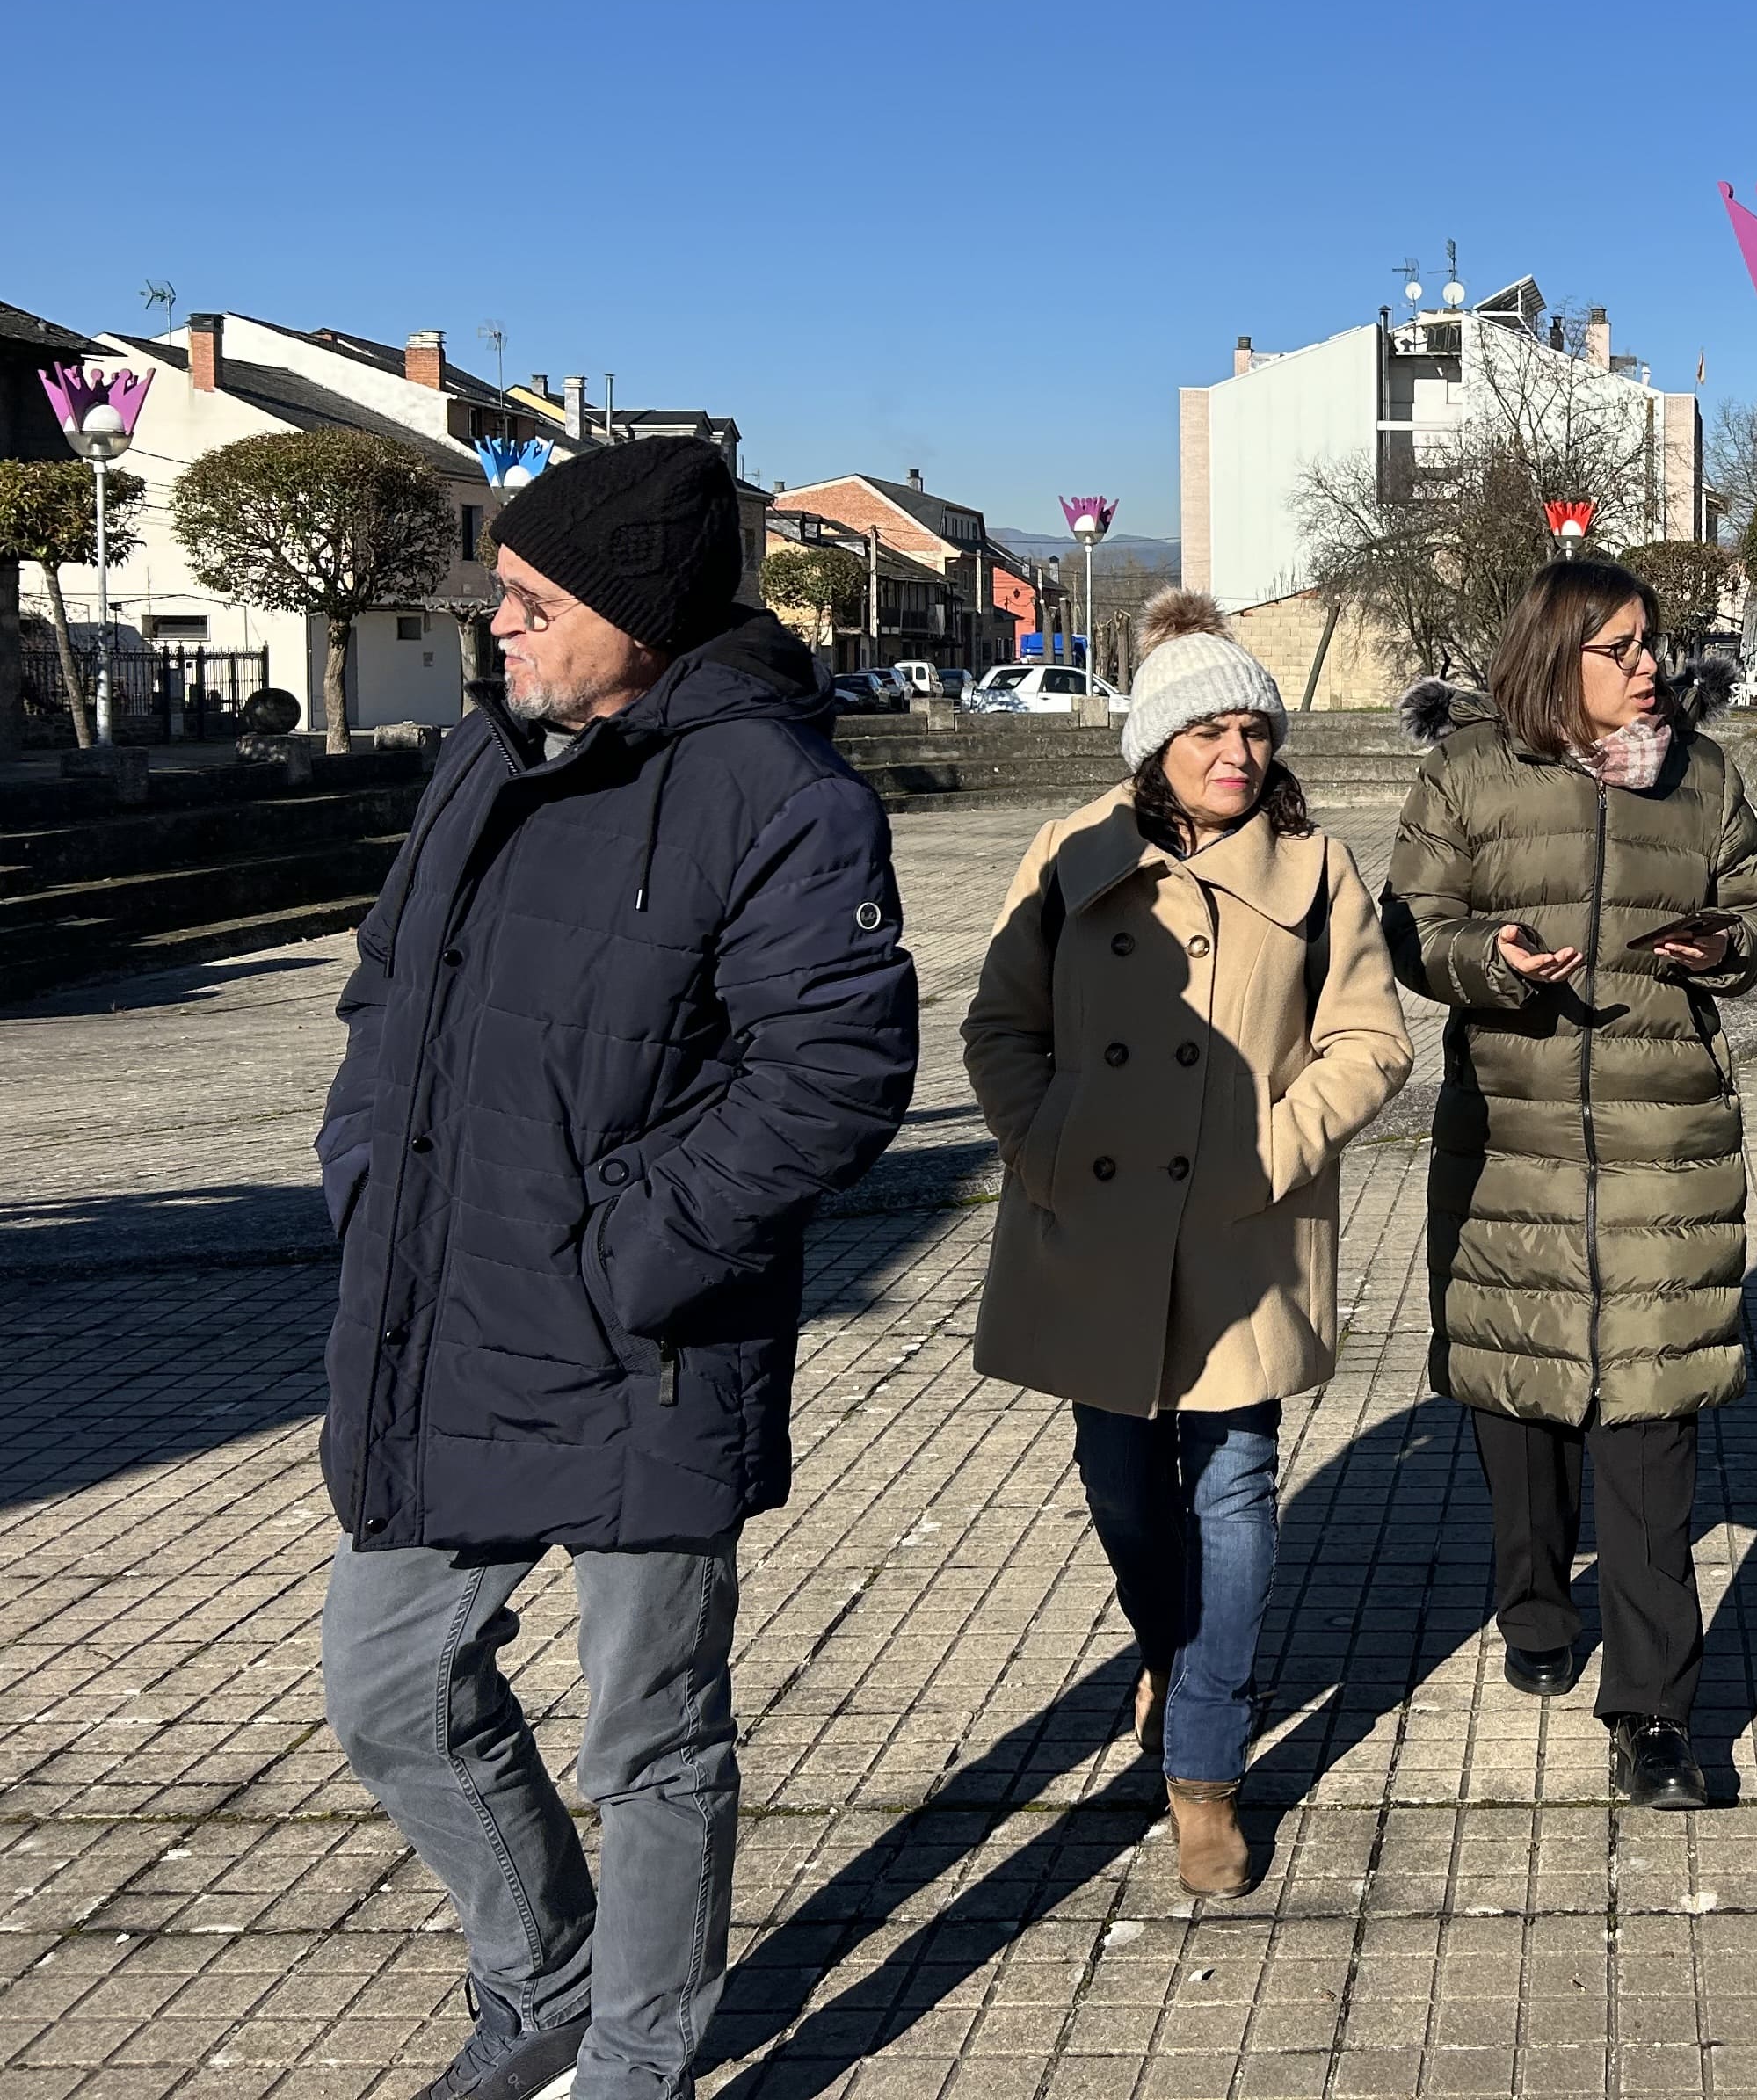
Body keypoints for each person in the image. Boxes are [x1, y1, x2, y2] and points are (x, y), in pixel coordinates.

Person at [316, 437, 918, 2100]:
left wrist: (631, 1246)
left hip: (649, 1336)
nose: (492, 621)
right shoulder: (483, 757)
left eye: (528, 597)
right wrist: (368, 1174)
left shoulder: (778, 792)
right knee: (384, 1680)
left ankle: (641, 2064)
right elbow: (385, 992)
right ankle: (547, 1978)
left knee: (649, 1733)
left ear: (638, 613)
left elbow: (838, 1069)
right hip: (457, 1315)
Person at [962, 592, 1411, 1898]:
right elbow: (1000, 1027)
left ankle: (1205, 1769)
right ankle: (1169, 1652)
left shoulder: (1311, 868)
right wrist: (1043, 1149)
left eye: (1256, 729)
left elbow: (1372, 1040)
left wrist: (1272, 1151)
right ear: (1153, 744)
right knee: (1121, 1484)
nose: (1239, 752)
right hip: (1095, 1228)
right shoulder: (1070, 849)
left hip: (1237, 1232)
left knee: (1232, 1489)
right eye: (1209, 729)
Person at [1383, 559, 1757, 1809]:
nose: (1649, 664)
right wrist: (1491, 960)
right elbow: (1413, 923)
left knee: (1652, 1434)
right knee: (1521, 1414)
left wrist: (1723, 946)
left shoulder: (1703, 777)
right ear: (1557, 655)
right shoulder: (1467, 773)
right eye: (1620, 646)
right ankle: (1535, 1602)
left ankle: (1657, 1715)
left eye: (1651, 642)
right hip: (1515, 1142)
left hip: (1666, 1149)